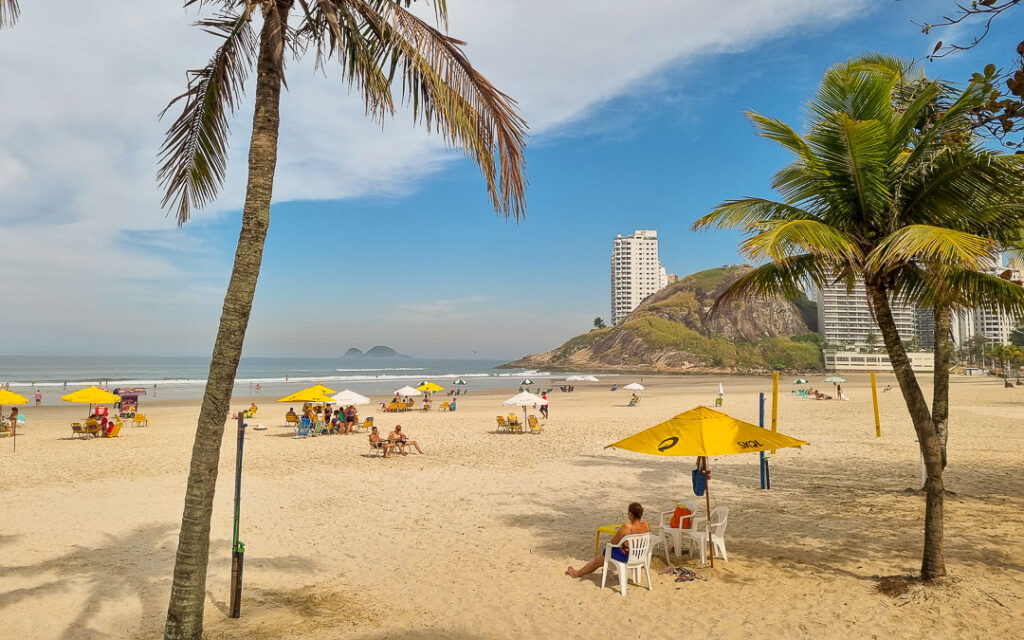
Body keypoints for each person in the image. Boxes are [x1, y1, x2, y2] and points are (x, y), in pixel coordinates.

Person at [566, 502, 650, 578]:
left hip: (627, 557)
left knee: (605, 552)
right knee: (605, 554)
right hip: (640, 556)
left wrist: (622, 539)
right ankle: (591, 567)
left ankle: (577, 573)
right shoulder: (646, 525)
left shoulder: (627, 526)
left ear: (630, 514)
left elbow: (613, 541)